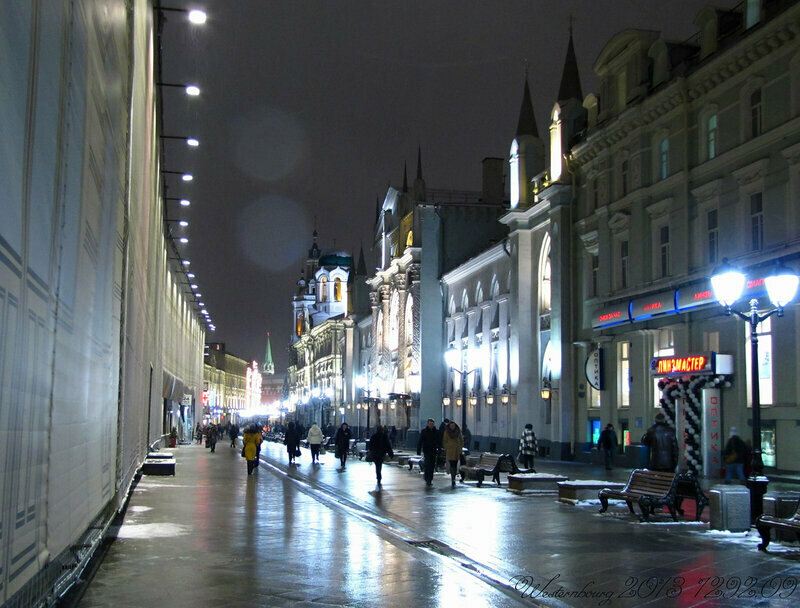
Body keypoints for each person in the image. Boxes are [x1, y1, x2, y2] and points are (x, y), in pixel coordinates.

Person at [417, 418, 441, 486]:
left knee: (432, 465)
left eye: (432, 424)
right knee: (427, 465)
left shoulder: (436, 432)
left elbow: (439, 441)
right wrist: (418, 450)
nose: (431, 425)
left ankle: (430, 478)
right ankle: (427, 478)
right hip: (426, 451)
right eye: (430, 424)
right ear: (427, 424)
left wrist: (439, 449)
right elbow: (420, 441)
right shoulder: (424, 431)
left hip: (433, 451)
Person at [442, 420, 464, 488]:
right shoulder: (447, 432)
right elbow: (444, 441)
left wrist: (460, 447)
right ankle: (453, 478)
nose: (452, 427)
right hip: (450, 451)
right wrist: (447, 447)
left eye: (453, 425)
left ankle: (453, 477)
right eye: (451, 426)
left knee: (455, 463)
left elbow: (461, 440)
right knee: (452, 464)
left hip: (457, 450)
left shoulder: (458, 431)